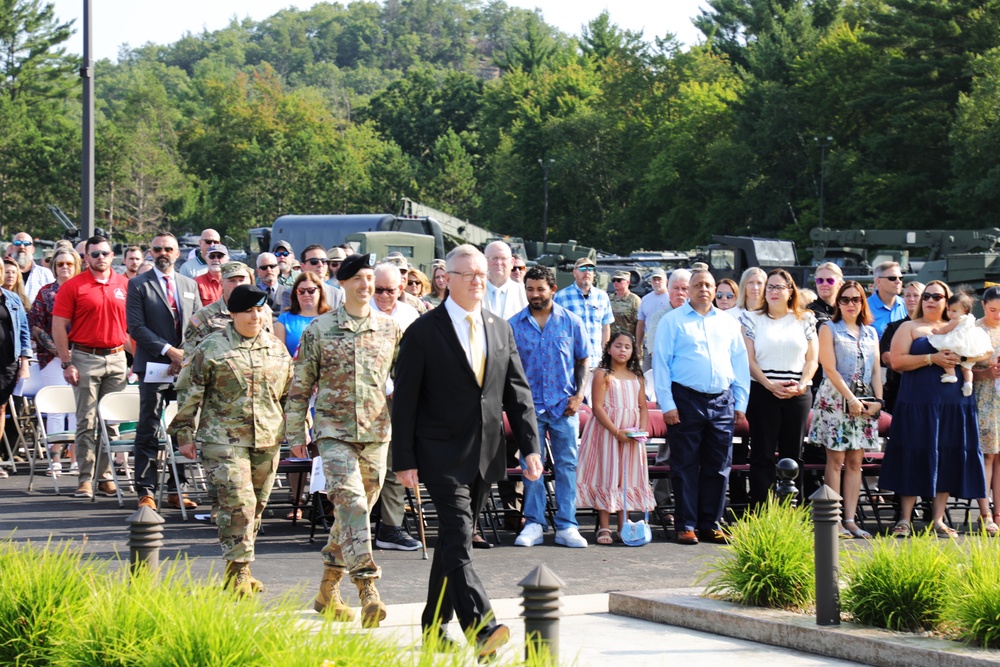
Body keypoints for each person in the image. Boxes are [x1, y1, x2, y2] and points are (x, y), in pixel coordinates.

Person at [392, 244, 542, 658]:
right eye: (469, 274)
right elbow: (404, 401)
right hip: (439, 453)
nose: (480, 280)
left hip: (485, 452)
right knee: (459, 537)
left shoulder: (499, 326)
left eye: (483, 273)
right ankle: (482, 627)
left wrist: (530, 447)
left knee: (451, 545)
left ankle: (433, 626)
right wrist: (403, 458)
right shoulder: (423, 332)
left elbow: (517, 392)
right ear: (448, 280)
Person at [285, 253, 402, 628]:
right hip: (333, 432)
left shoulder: (390, 329)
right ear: (343, 284)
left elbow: (405, 384)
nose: (367, 286)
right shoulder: (319, 330)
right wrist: (294, 433)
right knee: (350, 503)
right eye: (359, 280)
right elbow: (300, 385)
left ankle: (327, 589)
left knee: (354, 514)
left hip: (375, 433)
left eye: (371, 279)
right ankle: (368, 588)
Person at [171, 285, 294, 597]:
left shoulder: (276, 349)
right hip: (223, 437)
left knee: (258, 504)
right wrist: (184, 433)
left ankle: (238, 568)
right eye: (248, 311)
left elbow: (290, 394)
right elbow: (189, 393)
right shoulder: (211, 348)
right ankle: (239, 571)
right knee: (238, 502)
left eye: (260, 310)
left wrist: (297, 428)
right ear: (233, 314)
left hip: (267, 437)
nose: (255, 316)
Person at [881, 280, 986, 538]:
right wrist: (932, 358)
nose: (929, 300)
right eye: (926, 296)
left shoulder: (961, 327)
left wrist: (979, 367)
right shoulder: (909, 327)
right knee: (912, 455)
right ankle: (904, 519)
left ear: (947, 301)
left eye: (937, 296)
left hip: (954, 405)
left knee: (948, 457)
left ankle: (938, 520)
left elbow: (976, 358)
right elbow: (896, 361)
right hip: (917, 403)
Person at [653, 270, 750, 544]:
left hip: (722, 400)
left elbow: (740, 364)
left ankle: (711, 523)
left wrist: (740, 403)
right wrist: (667, 404)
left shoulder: (728, 323)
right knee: (684, 465)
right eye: (698, 285)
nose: (704, 290)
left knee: (719, 465)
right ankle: (686, 524)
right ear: (688, 290)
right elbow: (661, 363)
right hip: (685, 399)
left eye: (709, 285)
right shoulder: (672, 322)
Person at [510, 265, 590, 548]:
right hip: (529, 408)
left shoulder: (571, 322)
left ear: (553, 289)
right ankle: (533, 522)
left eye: (540, 289)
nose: (534, 294)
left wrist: (579, 395)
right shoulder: (514, 325)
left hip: (563, 405)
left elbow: (582, 360)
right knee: (531, 466)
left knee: (567, 465)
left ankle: (567, 524)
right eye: (529, 289)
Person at [51, 236, 132, 500]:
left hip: (118, 358)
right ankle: (85, 479)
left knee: (111, 423)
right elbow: (59, 327)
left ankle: (105, 477)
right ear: (85, 258)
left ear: (112, 255)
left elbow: (131, 328)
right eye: (94, 254)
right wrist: (66, 361)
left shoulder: (124, 284)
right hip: (85, 357)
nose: (100, 258)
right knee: (86, 422)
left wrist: (139, 361)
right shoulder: (73, 286)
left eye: (105, 253)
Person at [127, 232, 201, 511]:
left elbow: (198, 325)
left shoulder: (188, 284)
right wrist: (169, 351)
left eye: (168, 249)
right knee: (148, 427)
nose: (163, 253)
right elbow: (136, 328)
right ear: (150, 251)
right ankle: (145, 490)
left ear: (178, 253)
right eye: (157, 249)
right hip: (153, 367)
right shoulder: (138, 285)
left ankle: (176, 488)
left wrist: (184, 356)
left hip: (183, 368)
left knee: (181, 426)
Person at [808, 281, 882, 540]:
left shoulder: (871, 333)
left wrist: (879, 402)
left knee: (855, 462)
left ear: (863, 303)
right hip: (836, 400)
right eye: (845, 299)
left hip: (863, 401)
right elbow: (829, 368)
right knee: (836, 459)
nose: (851, 304)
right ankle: (834, 519)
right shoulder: (829, 328)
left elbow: (875, 371)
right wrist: (850, 398)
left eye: (856, 299)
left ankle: (851, 520)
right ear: (838, 303)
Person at [740, 269, 818, 506]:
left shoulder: (806, 319)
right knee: (762, 454)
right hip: (763, 392)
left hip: (798, 394)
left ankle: (791, 512)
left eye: (779, 287)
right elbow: (749, 360)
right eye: (769, 287)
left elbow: (812, 359)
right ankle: (762, 511)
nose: (773, 292)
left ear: (790, 290)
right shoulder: (751, 318)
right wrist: (769, 385)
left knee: (793, 455)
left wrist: (802, 384)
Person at [576, 332, 652, 544]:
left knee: (625, 477)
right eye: (618, 346)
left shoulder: (637, 377)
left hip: (631, 434)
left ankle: (624, 525)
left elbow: (643, 408)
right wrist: (616, 432)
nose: (623, 350)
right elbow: (597, 407)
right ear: (609, 348)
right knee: (608, 474)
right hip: (607, 432)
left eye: (628, 347)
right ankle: (603, 526)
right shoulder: (602, 374)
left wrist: (641, 431)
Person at [368, 263, 421, 552]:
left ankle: (390, 527)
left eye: (390, 290)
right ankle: (357, 527)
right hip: (369, 399)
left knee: (394, 463)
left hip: (402, 399)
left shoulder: (410, 315)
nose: (384, 296)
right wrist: (390, 388)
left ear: (401, 289)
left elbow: (415, 359)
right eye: (378, 290)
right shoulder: (363, 312)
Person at [28, 247, 80, 475]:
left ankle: (77, 460)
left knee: (79, 410)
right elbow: (36, 325)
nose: (65, 267)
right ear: (54, 267)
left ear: (76, 265)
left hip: (84, 355)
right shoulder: (45, 293)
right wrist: (60, 352)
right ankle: (55, 460)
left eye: (69, 263)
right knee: (58, 409)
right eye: (60, 264)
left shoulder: (85, 290)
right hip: (52, 359)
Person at [184, 262, 273, 355]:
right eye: (232, 280)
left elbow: (271, 343)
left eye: (242, 280)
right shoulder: (204, 316)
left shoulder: (263, 310)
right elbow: (190, 355)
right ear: (221, 283)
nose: (238, 285)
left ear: (250, 282)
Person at [553, 257, 613, 389]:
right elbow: (555, 330)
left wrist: (605, 355)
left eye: (591, 269)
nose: (587, 272)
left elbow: (605, 327)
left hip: (596, 362)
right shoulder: (561, 297)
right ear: (575, 272)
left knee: (596, 403)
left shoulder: (602, 297)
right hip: (571, 363)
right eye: (583, 268)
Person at [927, 290, 993, 396]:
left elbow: (946, 329)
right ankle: (968, 383)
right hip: (969, 346)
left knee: (947, 354)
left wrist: (937, 332)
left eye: (954, 311)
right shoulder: (970, 318)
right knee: (967, 368)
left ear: (964, 309)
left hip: (958, 343)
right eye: (948, 310)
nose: (950, 313)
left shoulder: (956, 320)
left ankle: (951, 374)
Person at [972, 285, 1000, 535]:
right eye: (993, 310)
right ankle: (985, 513)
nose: (998, 315)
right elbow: (963, 369)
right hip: (983, 399)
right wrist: (985, 373)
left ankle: (998, 514)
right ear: (983, 306)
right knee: (987, 456)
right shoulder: (974, 330)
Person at [880, 281, 924, 414]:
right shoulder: (894, 327)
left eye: (916, 295)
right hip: (899, 388)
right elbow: (886, 356)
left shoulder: (933, 328)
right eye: (908, 295)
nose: (911, 299)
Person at [275, 272, 331, 357]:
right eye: (301, 291)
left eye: (311, 290)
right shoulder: (284, 319)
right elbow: (279, 356)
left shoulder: (331, 318)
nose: (306, 294)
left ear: (319, 291)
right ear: (295, 293)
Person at [644, 269, 690, 369]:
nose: (680, 293)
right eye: (676, 288)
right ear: (668, 290)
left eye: (684, 289)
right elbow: (654, 351)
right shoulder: (659, 317)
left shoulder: (697, 316)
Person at [280, 244, 344, 313]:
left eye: (324, 261)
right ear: (303, 266)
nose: (320, 265)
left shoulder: (337, 294)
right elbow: (285, 321)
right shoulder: (290, 294)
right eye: (314, 261)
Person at [484, 240, 528, 320]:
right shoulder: (472, 291)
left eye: (503, 258)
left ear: (512, 262)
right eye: (494, 258)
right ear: (484, 261)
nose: (498, 263)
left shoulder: (524, 294)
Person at [636, 268, 670, 368]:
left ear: (666, 281)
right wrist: (638, 344)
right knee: (647, 377)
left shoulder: (671, 298)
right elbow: (641, 323)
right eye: (654, 279)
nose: (657, 282)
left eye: (660, 279)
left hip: (665, 346)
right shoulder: (646, 299)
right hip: (648, 346)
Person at [8, 232, 54, 304]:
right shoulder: (2, 272)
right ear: (11, 248)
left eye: (26, 243)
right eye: (17, 243)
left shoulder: (46, 274)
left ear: (32, 249)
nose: (22, 246)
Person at [867, 261, 907, 337]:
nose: (898, 282)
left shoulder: (906, 306)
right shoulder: (865, 308)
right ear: (878, 282)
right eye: (892, 278)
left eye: (901, 278)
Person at [609, 271, 641, 337]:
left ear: (627, 282)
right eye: (613, 280)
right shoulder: (609, 298)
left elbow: (639, 323)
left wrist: (638, 344)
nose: (615, 283)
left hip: (628, 339)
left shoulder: (634, 300)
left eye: (619, 280)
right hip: (611, 340)